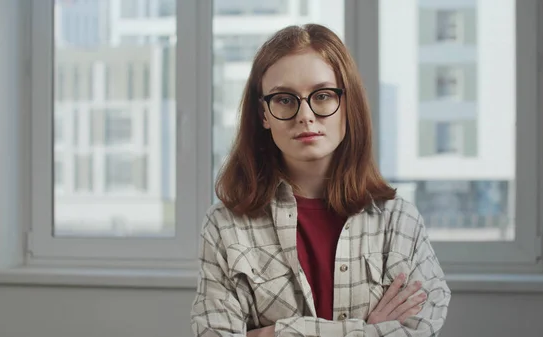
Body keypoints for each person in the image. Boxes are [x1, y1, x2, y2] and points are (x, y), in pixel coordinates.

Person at [191, 24, 450, 337]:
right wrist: (368, 330)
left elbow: (420, 332)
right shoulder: (225, 226)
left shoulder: (400, 223)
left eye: (323, 95)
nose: (305, 115)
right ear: (263, 114)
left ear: (347, 104)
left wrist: (272, 333)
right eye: (285, 99)